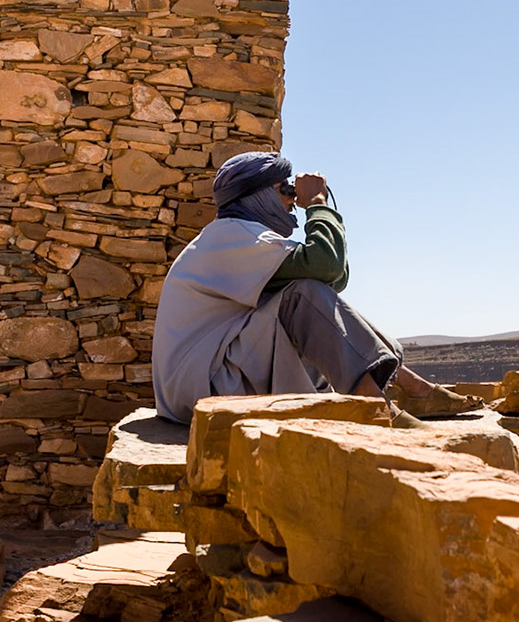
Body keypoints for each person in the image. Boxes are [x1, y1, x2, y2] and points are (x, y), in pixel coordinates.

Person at [151, 151, 477, 425]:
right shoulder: (229, 236)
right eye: (284, 189)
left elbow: (333, 277)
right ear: (259, 196)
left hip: (211, 377)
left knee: (306, 297)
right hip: (204, 388)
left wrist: (321, 212)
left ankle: (410, 389)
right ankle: (382, 413)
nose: (293, 199)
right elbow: (324, 267)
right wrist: (318, 203)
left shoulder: (240, 240)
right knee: (301, 297)